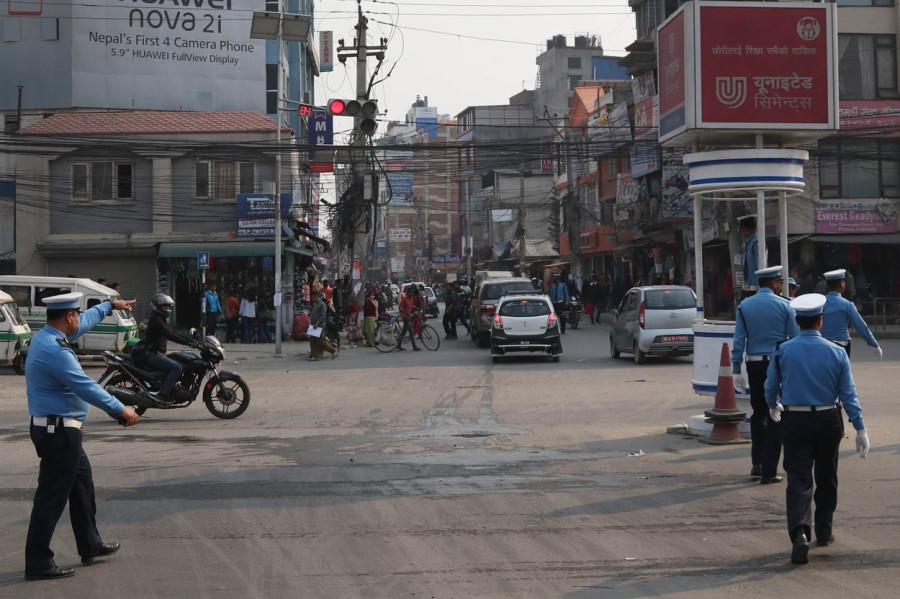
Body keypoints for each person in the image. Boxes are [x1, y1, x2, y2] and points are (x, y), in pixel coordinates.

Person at [24, 292, 140, 581]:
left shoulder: (47, 337)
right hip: (58, 433)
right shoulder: (56, 351)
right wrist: (120, 409)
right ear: (68, 317)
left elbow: (85, 321)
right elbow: (85, 386)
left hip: (61, 431)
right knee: (51, 499)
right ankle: (38, 562)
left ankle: (89, 543)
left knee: (82, 489)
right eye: (76, 314)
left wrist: (109, 306)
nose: (79, 319)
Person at [765, 293, 869, 565]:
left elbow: (770, 385)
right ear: (821, 321)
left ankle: (800, 533)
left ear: (797, 321)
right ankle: (824, 531)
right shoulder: (836, 351)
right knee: (827, 476)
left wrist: (772, 405)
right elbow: (848, 394)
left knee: (798, 479)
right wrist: (859, 427)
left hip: (795, 420)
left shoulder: (783, 350)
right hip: (827, 419)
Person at [732, 266, 799, 483]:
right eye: (780, 282)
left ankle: (757, 463)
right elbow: (794, 338)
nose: (781, 286)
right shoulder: (785, 305)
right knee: (776, 413)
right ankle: (770, 467)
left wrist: (735, 368)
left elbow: (739, 340)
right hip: (777, 363)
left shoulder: (745, 306)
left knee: (758, 412)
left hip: (754, 365)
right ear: (774, 283)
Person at [133, 294, 197, 403]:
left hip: (155, 352)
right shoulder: (156, 320)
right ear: (157, 307)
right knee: (177, 368)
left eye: (168, 306)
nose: (167, 309)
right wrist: (188, 342)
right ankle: (162, 395)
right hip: (151, 354)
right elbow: (169, 334)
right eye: (165, 306)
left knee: (179, 360)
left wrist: (190, 340)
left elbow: (172, 331)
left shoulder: (160, 319)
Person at [821, 269, 881, 359]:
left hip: (823, 344)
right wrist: (874, 344)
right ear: (842, 284)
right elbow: (861, 326)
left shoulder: (820, 303)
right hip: (842, 345)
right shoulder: (847, 305)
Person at [739, 215, 765, 298]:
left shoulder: (756, 243)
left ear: (744, 229)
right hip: (747, 289)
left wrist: (760, 292)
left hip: (754, 290)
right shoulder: (748, 243)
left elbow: (761, 269)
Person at [307, 290, 337, 360]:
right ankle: (315, 355)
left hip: (319, 325)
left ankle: (333, 350)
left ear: (317, 296)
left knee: (321, 341)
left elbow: (323, 316)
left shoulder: (322, 304)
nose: (312, 299)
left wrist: (317, 323)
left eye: (313, 297)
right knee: (312, 341)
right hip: (313, 325)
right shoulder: (315, 304)